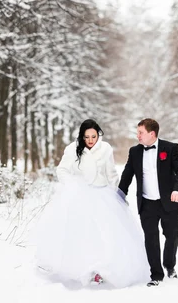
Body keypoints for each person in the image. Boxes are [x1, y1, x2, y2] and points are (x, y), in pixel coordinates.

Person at [33, 119, 149, 288]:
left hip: (102, 195)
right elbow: (62, 170)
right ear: (82, 136)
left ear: (98, 135)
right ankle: (77, 269)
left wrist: (118, 193)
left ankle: (100, 270)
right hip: (79, 195)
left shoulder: (105, 149)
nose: (90, 140)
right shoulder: (72, 149)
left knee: (106, 233)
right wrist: (72, 185)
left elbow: (111, 173)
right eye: (86, 136)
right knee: (80, 233)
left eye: (93, 136)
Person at [118, 118, 178, 287]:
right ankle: (156, 274)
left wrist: (177, 190)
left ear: (152, 133)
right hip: (147, 203)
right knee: (151, 239)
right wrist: (120, 194)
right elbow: (127, 174)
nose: (138, 136)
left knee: (172, 235)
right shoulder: (134, 152)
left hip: (169, 201)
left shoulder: (170, 148)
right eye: (137, 133)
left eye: (140, 133)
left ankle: (169, 265)